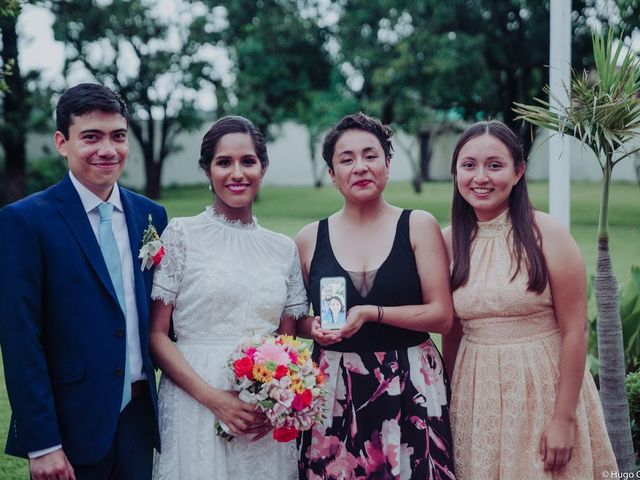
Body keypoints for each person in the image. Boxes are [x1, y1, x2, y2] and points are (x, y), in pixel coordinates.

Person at [0, 83, 168, 480]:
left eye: (118, 136)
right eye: (91, 137)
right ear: (62, 142)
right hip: (69, 426)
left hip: (139, 419)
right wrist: (43, 443)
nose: (108, 150)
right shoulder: (25, 221)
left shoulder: (151, 216)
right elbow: (21, 338)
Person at [442, 121, 617, 479]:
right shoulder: (447, 241)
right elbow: (451, 331)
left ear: (518, 171)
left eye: (495, 165)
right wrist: (448, 400)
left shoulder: (547, 233)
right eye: (469, 165)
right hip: (476, 393)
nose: (480, 177)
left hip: (543, 386)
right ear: (456, 172)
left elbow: (575, 330)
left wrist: (563, 419)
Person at [296, 113, 456, 479]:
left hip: (410, 380)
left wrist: (373, 312)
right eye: (346, 159)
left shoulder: (418, 225)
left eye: (371, 155)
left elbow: (442, 315)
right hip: (334, 385)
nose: (360, 167)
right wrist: (314, 327)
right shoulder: (309, 238)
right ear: (332, 174)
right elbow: (294, 321)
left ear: (388, 163)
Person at [149, 115, 308, 479]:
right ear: (208, 171)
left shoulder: (283, 249)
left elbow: (287, 341)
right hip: (195, 400)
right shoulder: (181, 235)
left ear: (263, 168)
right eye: (224, 162)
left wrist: (276, 402)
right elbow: (157, 334)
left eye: (248, 161)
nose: (237, 173)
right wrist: (213, 398)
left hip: (260, 413)